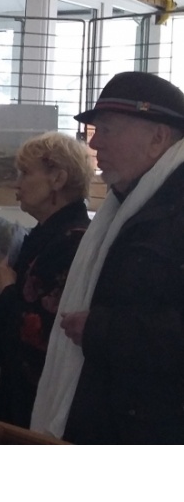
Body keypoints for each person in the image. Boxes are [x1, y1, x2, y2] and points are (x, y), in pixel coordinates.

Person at [31, 72, 184, 444]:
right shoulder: (126, 206)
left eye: (108, 129)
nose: (94, 142)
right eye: (94, 130)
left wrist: (101, 329)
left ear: (158, 138)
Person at [0, 132, 93, 428]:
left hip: (41, 403)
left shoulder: (71, 241)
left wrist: (6, 289)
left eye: (26, 173)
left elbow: (40, 333)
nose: (17, 183)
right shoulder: (48, 235)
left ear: (58, 179)